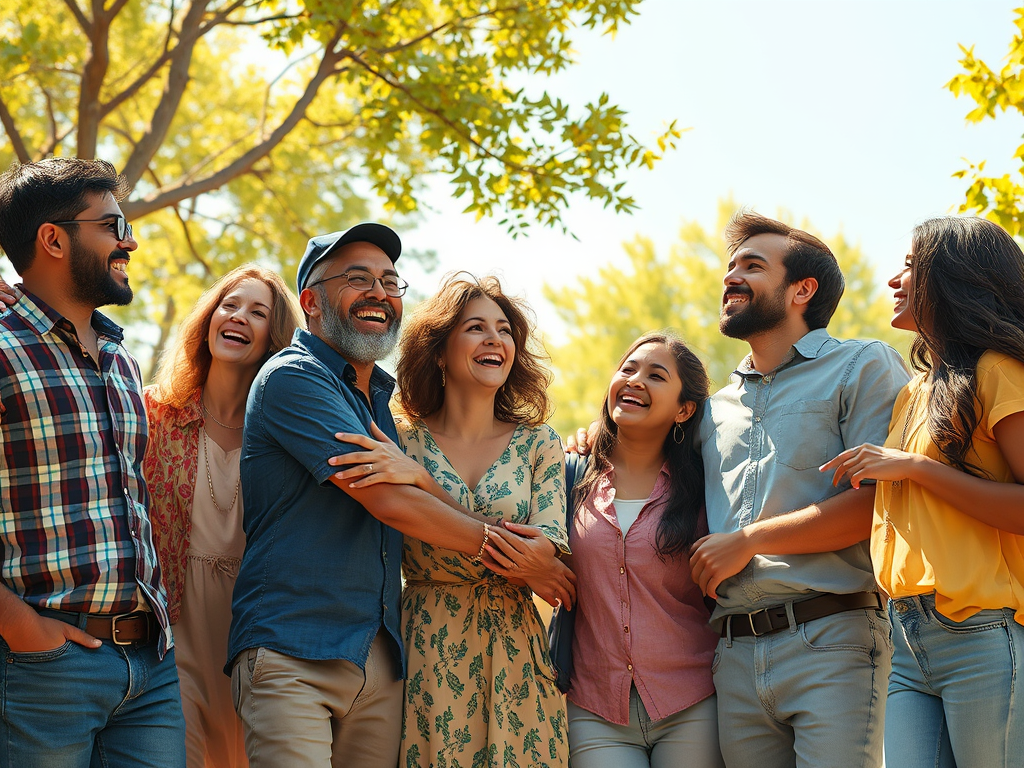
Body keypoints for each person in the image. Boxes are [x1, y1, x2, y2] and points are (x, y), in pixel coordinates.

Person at [227, 227, 511, 768]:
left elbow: (414, 493)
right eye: (358, 280)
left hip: (380, 661)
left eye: (389, 281)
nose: (379, 292)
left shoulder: (382, 405)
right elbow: (389, 501)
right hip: (294, 651)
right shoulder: (294, 378)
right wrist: (509, 555)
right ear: (310, 302)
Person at [684, 212, 910, 768]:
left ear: (801, 290)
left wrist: (748, 540)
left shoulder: (863, 365)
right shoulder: (712, 409)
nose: (731, 277)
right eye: (731, 266)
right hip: (732, 653)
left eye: (753, 267)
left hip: (832, 640)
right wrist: (596, 435)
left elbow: (877, 506)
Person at [333, 273, 574, 768]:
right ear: (440, 351)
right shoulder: (398, 440)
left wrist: (424, 484)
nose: (494, 339)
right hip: (423, 645)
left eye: (505, 330)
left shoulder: (540, 442)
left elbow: (538, 553)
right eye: (476, 328)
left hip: (515, 649)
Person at [0, 157, 185, 767]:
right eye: (111, 224)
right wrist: (22, 630)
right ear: (53, 238)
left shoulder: (121, 359)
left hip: (152, 671)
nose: (129, 239)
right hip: (41, 668)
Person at [821, 217, 1024, 768]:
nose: (895, 279)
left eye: (911, 265)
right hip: (905, 639)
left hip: (981, 630)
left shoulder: (998, 371)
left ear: (954, 278)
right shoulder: (913, 393)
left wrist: (913, 467)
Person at [144, 265, 301, 768]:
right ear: (209, 317)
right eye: (230, 304)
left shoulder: (286, 436)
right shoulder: (154, 415)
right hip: (173, 631)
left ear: (274, 338)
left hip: (253, 632)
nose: (238, 317)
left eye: (258, 312)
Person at [565, 332, 723, 768]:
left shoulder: (708, 487)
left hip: (692, 702)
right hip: (594, 707)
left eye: (655, 375)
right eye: (628, 369)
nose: (634, 380)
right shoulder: (570, 476)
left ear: (685, 409)